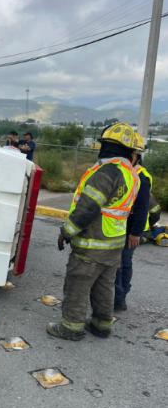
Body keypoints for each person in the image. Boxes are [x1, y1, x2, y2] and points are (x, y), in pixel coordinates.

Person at [49, 122, 143, 340]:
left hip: (92, 244)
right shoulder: (131, 174)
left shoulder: (106, 173)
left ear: (107, 146)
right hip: (113, 246)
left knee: (78, 285)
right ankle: (101, 325)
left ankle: (70, 328)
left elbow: (87, 208)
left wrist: (66, 232)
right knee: (104, 288)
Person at [114, 156, 151, 311]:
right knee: (120, 264)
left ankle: (120, 299)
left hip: (131, 229)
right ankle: (117, 297)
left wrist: (136, 233)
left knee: (123, 263)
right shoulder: (127, 172)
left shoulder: (141, 177)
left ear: (136, 159)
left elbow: (142, 207)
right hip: (120, 227)